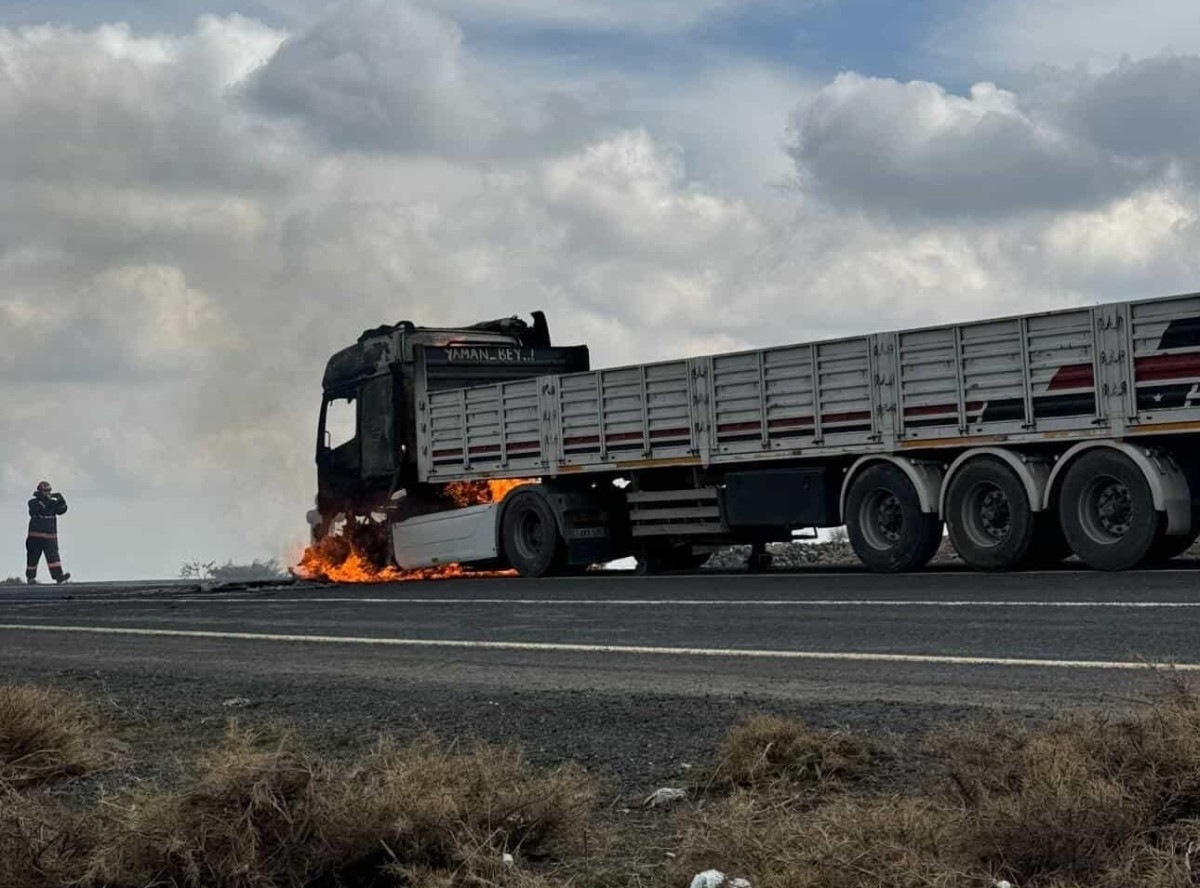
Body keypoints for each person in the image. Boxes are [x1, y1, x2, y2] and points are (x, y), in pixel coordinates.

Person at [26, 481, 70, 584]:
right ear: (40, 491)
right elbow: (35, 510)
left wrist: (61, 500)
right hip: (35, 537)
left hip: (50, 537)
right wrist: (46, 500)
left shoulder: (53, 503)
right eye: (45, 491)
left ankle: (58, 576)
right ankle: (31, 577)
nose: (48, 493)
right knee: (33, 558)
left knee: (54, 558)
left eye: (49, 490)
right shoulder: (33, 502)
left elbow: (62, 510)